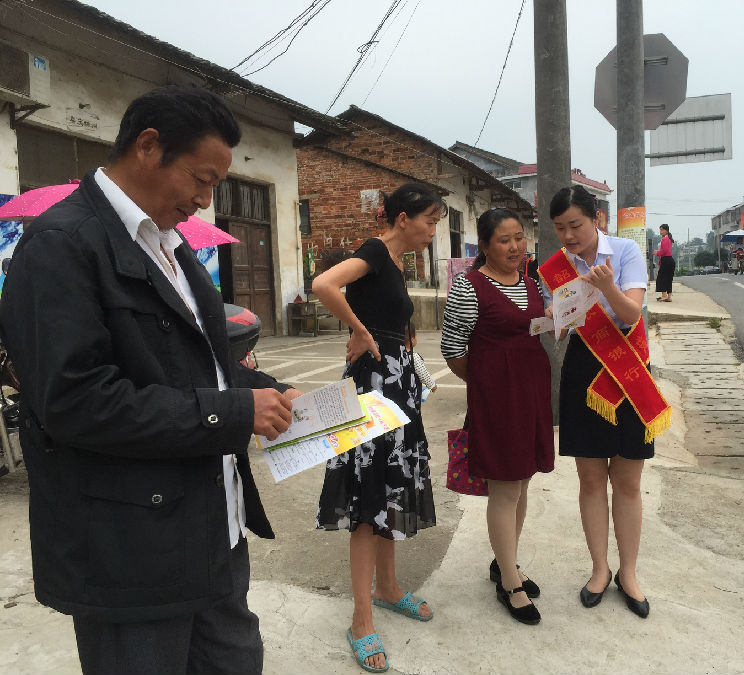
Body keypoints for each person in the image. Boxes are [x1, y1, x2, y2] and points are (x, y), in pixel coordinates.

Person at [0, 85, 301, 675]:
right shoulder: (61, 246)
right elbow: (76, 401)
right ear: (148, 146)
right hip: (131, 551)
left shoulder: (171, 245)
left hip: (213, 528)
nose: (205, 200)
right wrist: (235, 413)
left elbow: (193, 362)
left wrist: (263, 389)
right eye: (201, 179)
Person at [313, 183, 443, 673]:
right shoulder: (373, 251)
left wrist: (397, 336)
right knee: (368, 498)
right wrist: (360, 330)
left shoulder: (395, 264)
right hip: (372, 388)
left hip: (397, 387)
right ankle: (361, 618)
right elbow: (324, 285)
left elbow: (388, 316)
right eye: (430, 221)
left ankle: (388, 588)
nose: (433, 231)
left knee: (390, 488)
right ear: (403, 218)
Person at [540, 185, 670, 619]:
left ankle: (628, 573)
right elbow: (561, 323)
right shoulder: (557, 267)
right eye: (560, 228)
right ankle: (600, 568)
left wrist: (608, 286)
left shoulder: (626, 251)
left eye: (575, 225)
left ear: (596, 219)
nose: (568, 236)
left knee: (628, 481)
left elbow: (631, 314)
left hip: (627, 365)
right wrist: (555, 321)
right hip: (584, 366)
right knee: (591, 479)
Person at [441, 208, 554, 626]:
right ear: (485, 245)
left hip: (532, 392)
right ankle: (509, 582)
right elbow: (453, 348)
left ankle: (505, 562)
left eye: (519, 238)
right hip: (498, 398)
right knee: (505, 488)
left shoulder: (532, 281)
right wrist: (486, 382)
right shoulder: (468, 287)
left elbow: (533, 328)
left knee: (522, 482)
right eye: (504, 240)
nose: (515, 247)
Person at [407, 322, 437, 399]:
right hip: (412, 393)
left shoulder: (398, 355)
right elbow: (423, 374)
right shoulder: (414, 357)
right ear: (412, 339)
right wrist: (432, 385)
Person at [652, 224, 675, 301]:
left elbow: (664, 251)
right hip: (670, 260)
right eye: (660, 230)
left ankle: (664, 295)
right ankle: (669, 297)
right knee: (669, 278)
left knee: (661, 278)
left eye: (662, 230)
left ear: (666, 230)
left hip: (666, 260)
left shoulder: (665, 239)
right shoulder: (669, 238)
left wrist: (656, 253)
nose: (660, 231)